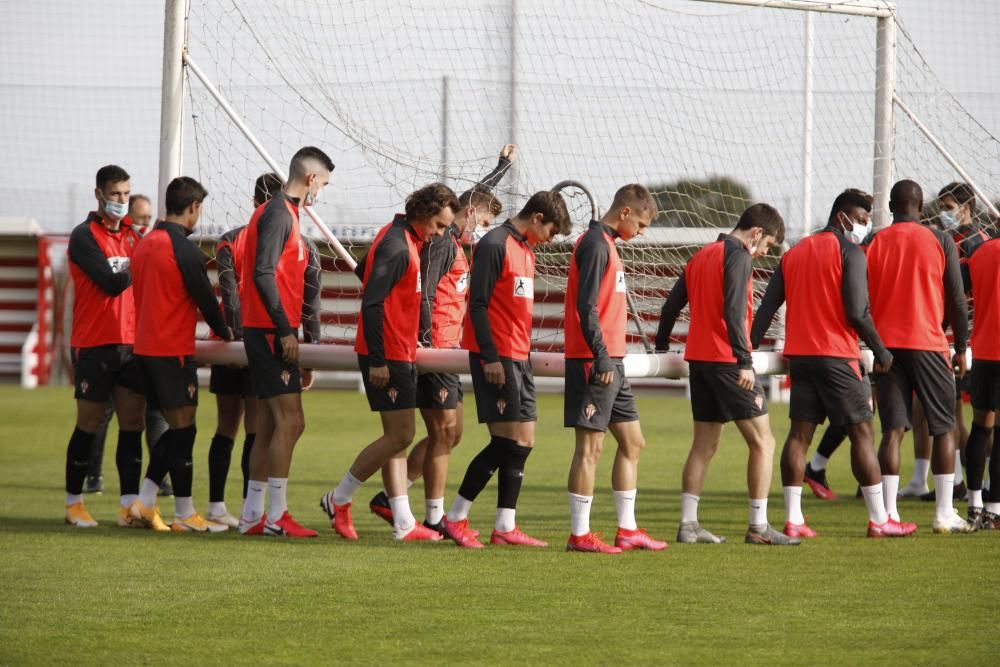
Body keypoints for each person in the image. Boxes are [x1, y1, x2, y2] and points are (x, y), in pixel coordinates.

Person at [367, 144, 516, 533]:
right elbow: (425, 293)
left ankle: (402, 500)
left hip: (446, 348)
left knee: (449, 433)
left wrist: (500, 168)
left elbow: (472, 200)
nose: (483, 230)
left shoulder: (454, 237)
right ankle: (431, 515)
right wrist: (428, 342)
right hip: (435, 350)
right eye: (482, 221)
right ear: (467, 216)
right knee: (441, 431)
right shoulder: (442, 244)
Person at [751, 189, 915, 538]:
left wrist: (746, 350)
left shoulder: (793, 253)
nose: (863, 226)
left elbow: (766, 308)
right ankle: (879, 519)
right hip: (838, 357)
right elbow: (858, 311)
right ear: (843, 216)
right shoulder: (850, 253)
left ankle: (794, 520)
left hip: (801, 358)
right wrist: (881, 350)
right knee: (863, 434)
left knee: (799, 436)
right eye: (861, 219)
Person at [320, 183, 459, 542]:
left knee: (397, 438)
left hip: (399, 349)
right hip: (388, 355)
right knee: (402, 435)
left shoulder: (402, 237)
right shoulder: (398, 245)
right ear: (424, 215)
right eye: (440, 226)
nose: (441, 234)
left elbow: (365, 272)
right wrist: (379, 359)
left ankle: (402, 521)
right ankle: (339, 498)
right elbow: (371, 301)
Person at [655, 203, 798, 546]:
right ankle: (758, 527)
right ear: (756, 233)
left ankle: (688, 524)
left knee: (704, 444)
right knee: (764, 441)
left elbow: (670, 306)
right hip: (727, 362)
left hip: (699, 362)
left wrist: (660, 347)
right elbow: (735, 310)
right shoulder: (738, 257)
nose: (763, 254)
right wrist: (744, 360)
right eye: (766, 247)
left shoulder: (701, 255)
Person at [437, 191, 571, 549]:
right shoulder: (495, 244)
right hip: (497, 359)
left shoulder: (525, 250)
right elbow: (477, 306)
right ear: (538, 218)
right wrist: (492, 358)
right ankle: (454, 518)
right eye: (551, 232)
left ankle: (505, 526)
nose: (550, 240)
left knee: (522, 442)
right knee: (507, 442)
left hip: (519, 357)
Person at [563, 184, 668, 554]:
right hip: (596, 362)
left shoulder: (608, 245)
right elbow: (585, 306)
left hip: (614, 362)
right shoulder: (593, 244)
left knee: (633, 442)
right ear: (624, 212)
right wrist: (602, 356)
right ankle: (579, 535)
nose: (641, 232)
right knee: (590, 448)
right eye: (640, 223)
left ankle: (627, 529)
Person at [865, 179, 973, 533]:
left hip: (885, 347)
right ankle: (944, 513)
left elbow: (858, 298)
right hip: (928, 343)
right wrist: (960, 347)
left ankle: (888, 514)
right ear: (921, 205)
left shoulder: (873, 241)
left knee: (892, 430)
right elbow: (957, 299)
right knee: (944, 428)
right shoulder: (940, 239)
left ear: (891, 206)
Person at [238, 147, 334, 538]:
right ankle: (276, 517)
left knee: (268, 426)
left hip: (264, 329)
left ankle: (252, 515)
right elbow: (262, 274)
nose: (322, 192)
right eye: (324, 184)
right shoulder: (279, 212)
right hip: (268, 331)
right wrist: (284, 329)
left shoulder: (283, 213)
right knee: (292, 422)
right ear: (310, 179)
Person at [128, 176, 233, 532]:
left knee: (177, 430)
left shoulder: (143, 244)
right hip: (171, 351)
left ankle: (144, 502)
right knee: (184, 429)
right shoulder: (184, 249)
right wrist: (225, 331)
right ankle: (185, 514)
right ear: (193, 207)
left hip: (143, 350)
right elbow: (206, 299)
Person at [63, 165, 146, 528]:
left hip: (131, 345)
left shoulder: (132, 237)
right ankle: (74, 503)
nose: (122, 201)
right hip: (95, 344)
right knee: (89, 424)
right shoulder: (83, 236)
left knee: (133, 423)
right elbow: (111, 283)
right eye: (115, 194)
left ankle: (129, 506)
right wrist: (143, 262)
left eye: (126, 194)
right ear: (99, 195)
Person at [83, 192, 172, 497]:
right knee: (103, 414)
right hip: (107, 342)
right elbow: (109, 285)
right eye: (141, 219)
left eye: (150, 219)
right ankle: (92, 474)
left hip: (143, 343)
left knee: (154, 414)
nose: (145, 224)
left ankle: (157, 479)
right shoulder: (109, 244)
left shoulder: (147, 248)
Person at [203, 173, 276, 527]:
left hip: (231, 343)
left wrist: (233, 333)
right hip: (260, 343)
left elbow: (228, 291)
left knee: (226, 426)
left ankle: (217, 506)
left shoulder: (230, 240)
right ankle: (252, 509)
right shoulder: (285, 240)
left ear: (252, 200)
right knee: (255, 429)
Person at [963, 233, 1000, 527]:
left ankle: (974, 504)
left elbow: (956, 291)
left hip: (983, 352)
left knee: (980, 427)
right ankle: (994, 509)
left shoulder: (978, 254)